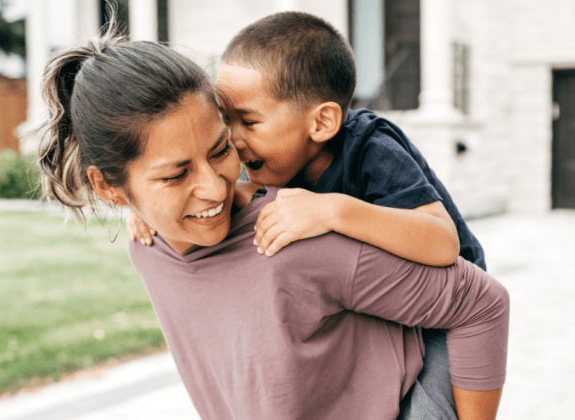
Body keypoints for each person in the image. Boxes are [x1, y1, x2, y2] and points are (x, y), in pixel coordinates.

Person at [36, 27, 509, 420]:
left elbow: (460, 270)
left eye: (222, 148)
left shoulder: (355, 168)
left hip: (442, 299)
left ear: (320, 123)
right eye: (176, 173)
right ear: (109, 188)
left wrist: (332, 211)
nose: (219, 187)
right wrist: (140, 210)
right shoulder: (150, 247)